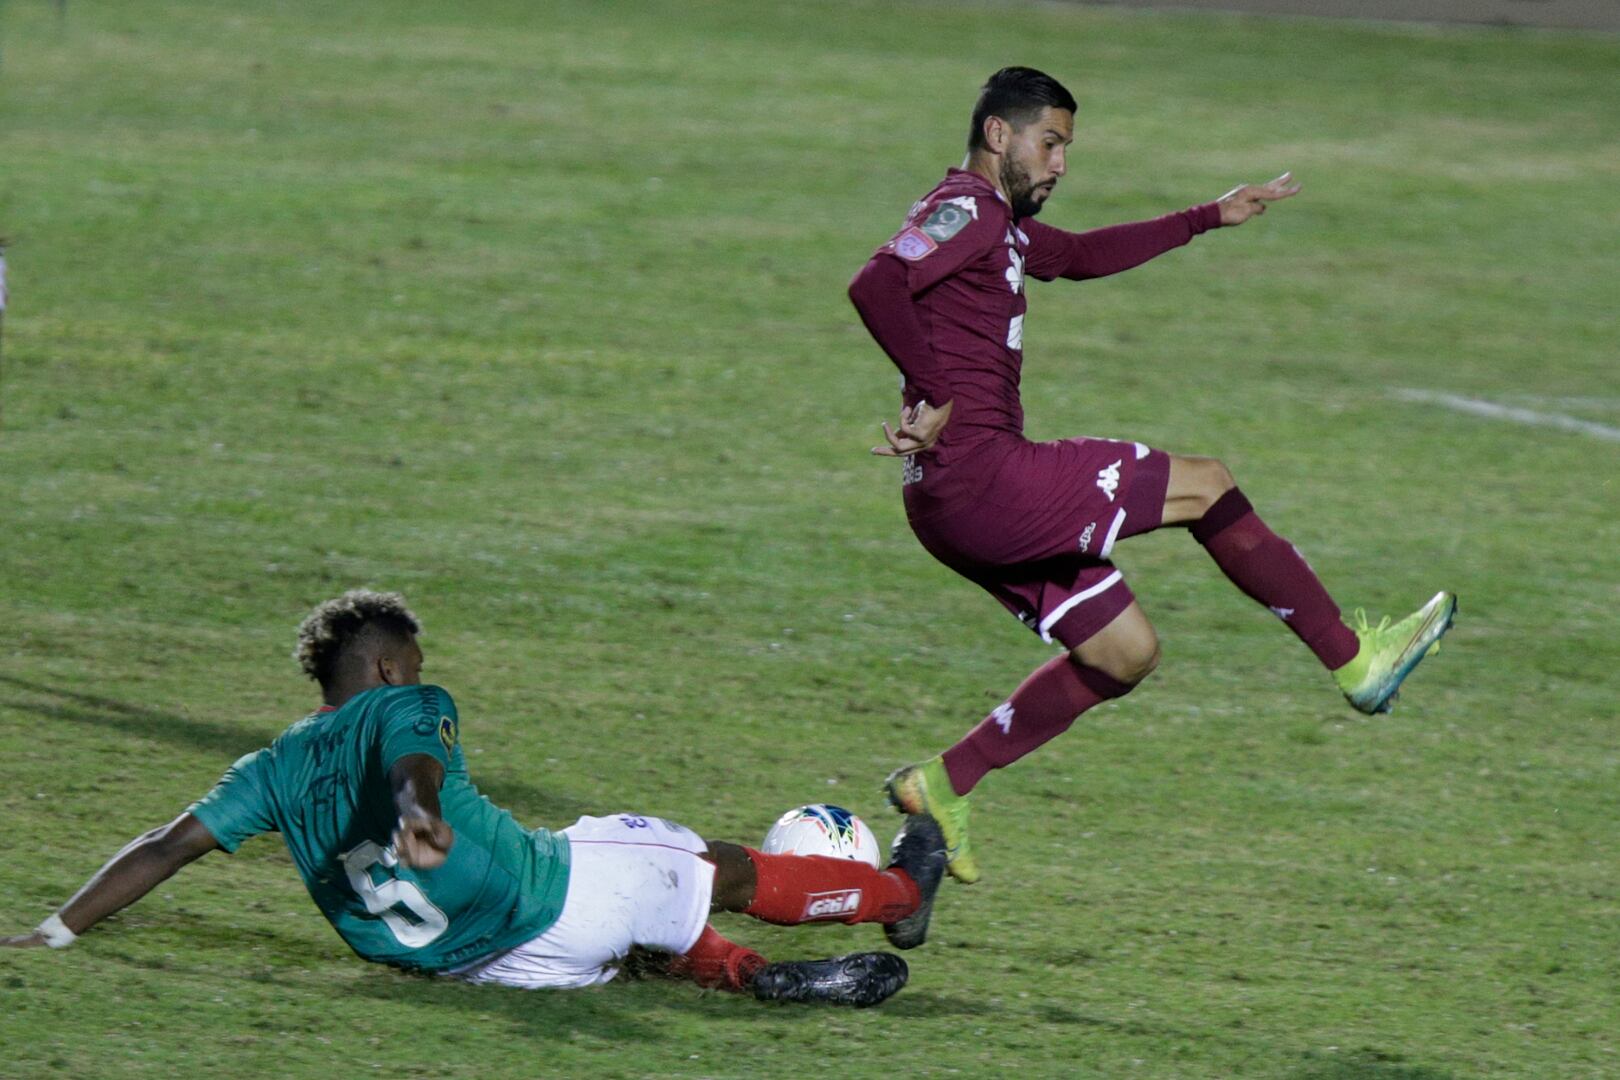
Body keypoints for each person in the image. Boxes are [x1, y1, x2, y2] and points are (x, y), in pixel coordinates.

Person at [847, 67, 1455, 884]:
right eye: (1049, 143)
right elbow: (877, 282)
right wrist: (937, 390)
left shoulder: (1004, 227)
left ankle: (944, 783)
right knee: (1206, 484)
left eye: (1066, 148)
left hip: (952, 505)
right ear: (998, 134)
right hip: (987, 481)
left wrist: (1208, 215)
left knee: (1123, 652)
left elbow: (1080, 256)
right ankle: (1355, 661)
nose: (1061, 164)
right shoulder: (969, 210)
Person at [2, 590, 947, 1008]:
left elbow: (163, 847)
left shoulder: (265, 771)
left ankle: (751, 977)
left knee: (631, 932)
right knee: (705, 863)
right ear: (387, 667)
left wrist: (55, 929)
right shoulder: (407, 705)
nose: (424, 676)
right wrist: (419, 817)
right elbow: (413, 766)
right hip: (544, 904)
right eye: (414, 663)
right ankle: (903, 893)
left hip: (478, 970)